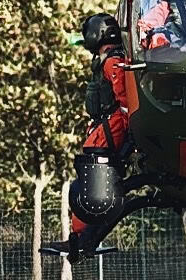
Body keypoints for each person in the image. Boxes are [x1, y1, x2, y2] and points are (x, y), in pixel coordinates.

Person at [41, 13, 128, 261]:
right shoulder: (105, 59)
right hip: (107, 124)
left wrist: (124, 130)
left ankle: (83, 236)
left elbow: (124, 98)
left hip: (113, 126)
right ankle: (80, 236)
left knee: (91, 170)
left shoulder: (113, 62)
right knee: (86, 174)